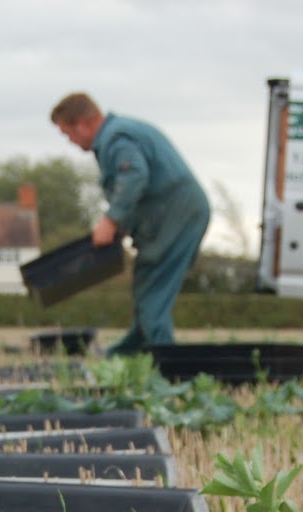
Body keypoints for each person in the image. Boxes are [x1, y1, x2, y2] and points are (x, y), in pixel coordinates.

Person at [51, 92, 210, 354]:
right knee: (148, 284)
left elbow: (135, 175)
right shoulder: (119, 133)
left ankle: (165, 363)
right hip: (175, 215)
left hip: (176, 216)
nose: (71, 141)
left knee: (154, 285)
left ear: (83, 123)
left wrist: (111, 220)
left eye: (69, 134)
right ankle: (131, 348)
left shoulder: (115, 138)